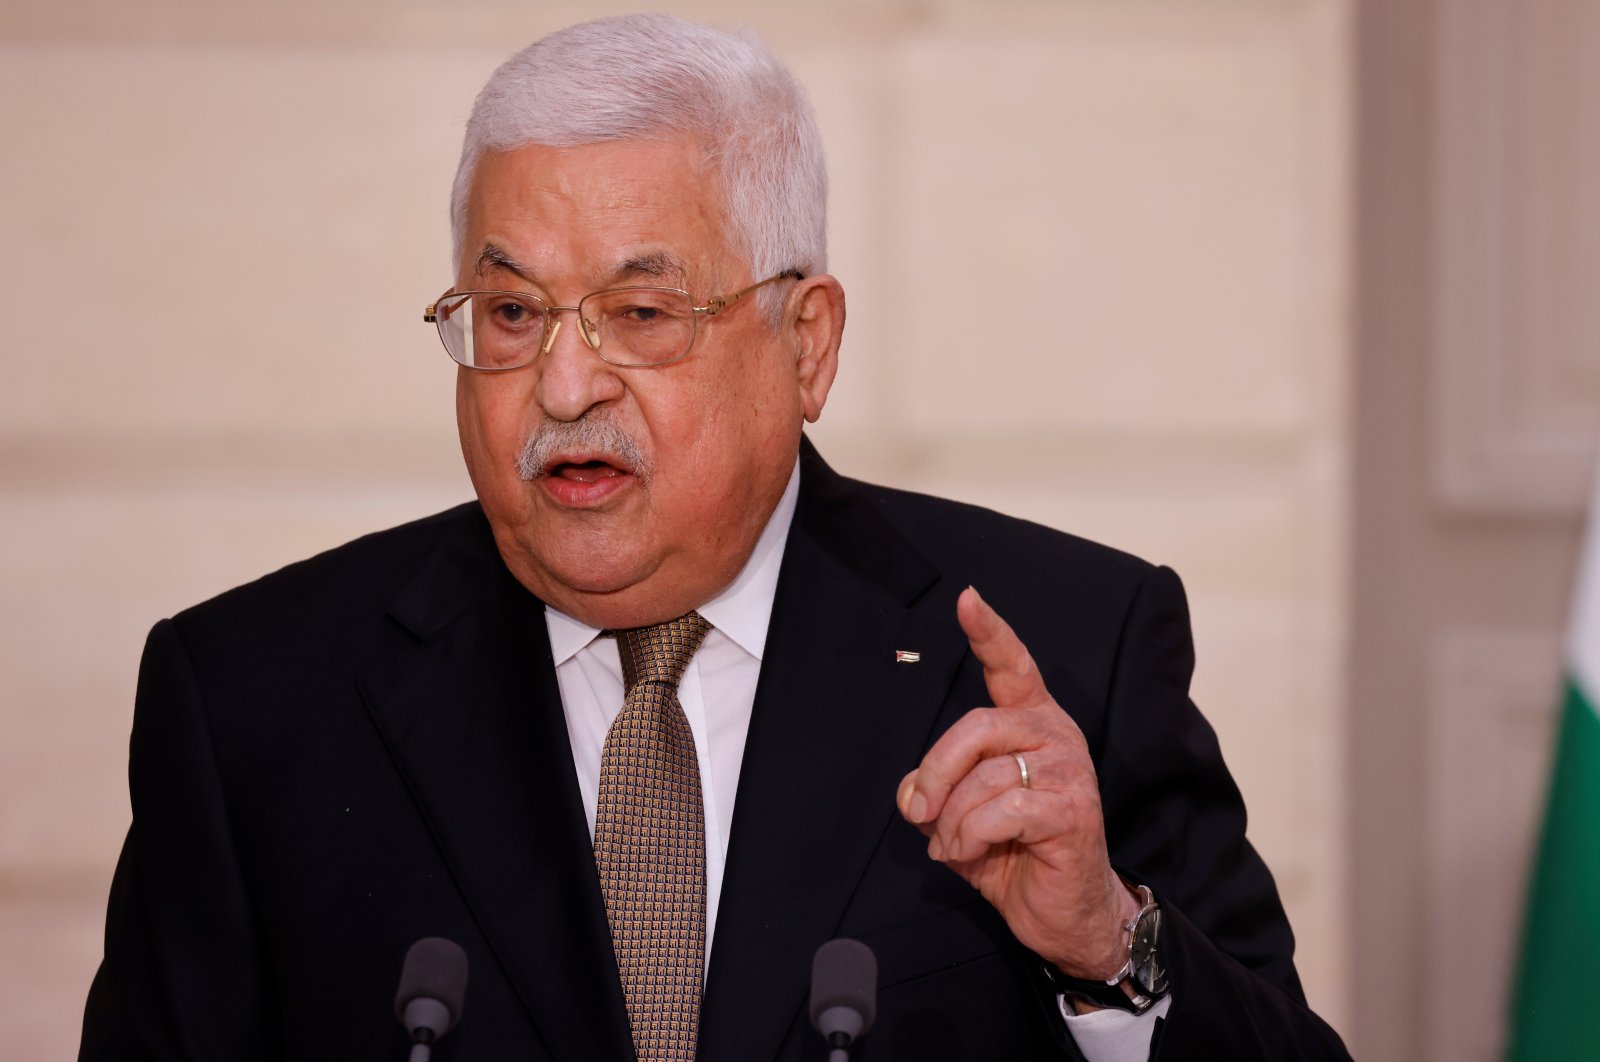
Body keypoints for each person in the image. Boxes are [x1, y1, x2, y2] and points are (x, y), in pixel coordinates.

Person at [80, 13, 1350, 1062]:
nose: (564, 384)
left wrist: (1107, 946)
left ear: (807, 345)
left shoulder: (1064, 651)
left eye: (640, 309)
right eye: (512, 311)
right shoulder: (256, 702)